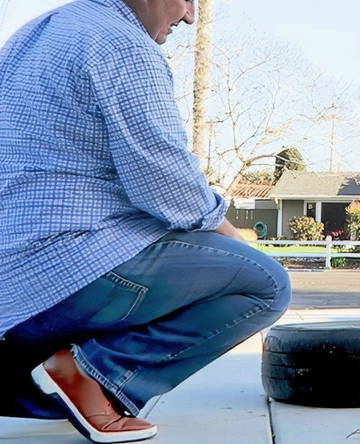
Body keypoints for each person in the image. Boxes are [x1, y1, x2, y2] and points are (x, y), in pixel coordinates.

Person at [0, 0, 291, 442]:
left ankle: (38, 376)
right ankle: (95, 376)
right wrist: (235, 237)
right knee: (264, 282)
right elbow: (164, 180)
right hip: (68, 264)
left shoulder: (37, 32)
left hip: (12, 279)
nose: (191, 16)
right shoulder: (121, 44)